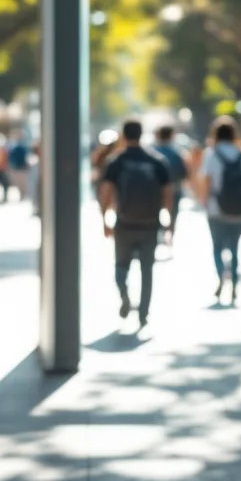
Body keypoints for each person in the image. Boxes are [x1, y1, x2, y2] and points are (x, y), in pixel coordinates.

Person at [97, 119, 173, 328]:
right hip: (150, 224)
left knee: (121, 266)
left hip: (124, 223)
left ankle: (124, 294)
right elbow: (168, 194)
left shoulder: (116, 161)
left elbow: (105, 193)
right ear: (141, 134)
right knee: (147, 270)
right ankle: (143, 313)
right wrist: (169, 223)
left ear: (123, 135)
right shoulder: (157, 160)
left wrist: (104, 219)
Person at [195, 116, 241, 306]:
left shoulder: (211, 154)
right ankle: (235, 283)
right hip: (240, 210)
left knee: (217, 247)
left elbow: (205, 182)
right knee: (234, 249)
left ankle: (221, 276)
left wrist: (204, 202)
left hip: (217, 209)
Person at [151, 125, 189, 247]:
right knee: (173, 214)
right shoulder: (177, 153)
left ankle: (156, 235)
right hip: (174, 188)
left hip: (155, 190)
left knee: (154, 213)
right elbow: (184, 173)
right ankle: (170, 236)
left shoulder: (152, 152)